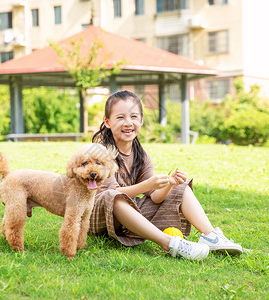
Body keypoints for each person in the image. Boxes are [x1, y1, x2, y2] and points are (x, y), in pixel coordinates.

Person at [89, 90, 242, 261]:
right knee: (114, 196)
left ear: (141, 120)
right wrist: (148, 185)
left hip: (126, 219)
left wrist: (169, 184)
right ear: (107, 122)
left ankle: (211, 236)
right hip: (97, 216)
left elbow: (155, 197)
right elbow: (110, 195)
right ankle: (168, 243)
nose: (128, 123)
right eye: (120, 118)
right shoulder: (100, 152)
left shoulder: (141, 155)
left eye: (133, 117)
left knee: (180, 188)